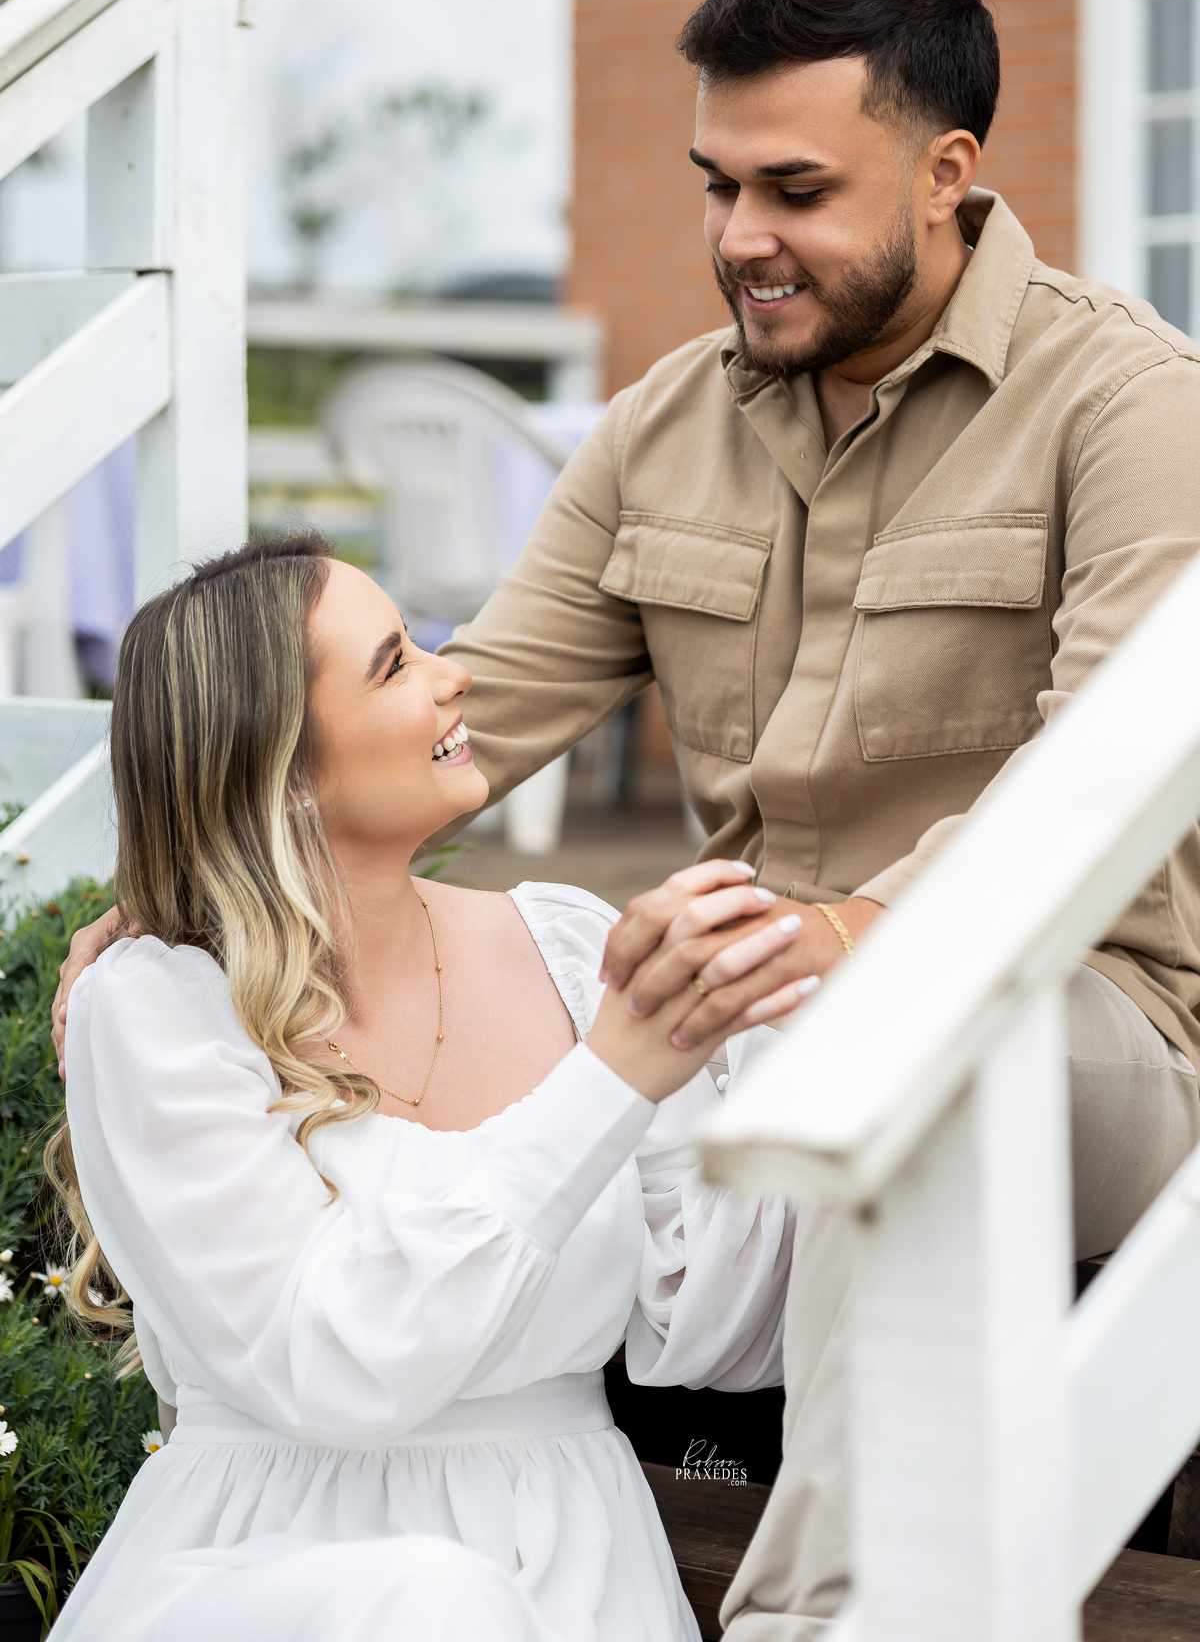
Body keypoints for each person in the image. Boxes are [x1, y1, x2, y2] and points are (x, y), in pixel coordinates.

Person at [57, 0, 1200, 1636]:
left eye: (796, 188)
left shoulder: (1127, 401)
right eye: (718, 182)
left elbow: (1104, 784)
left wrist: (854, 939)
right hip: (763, 1028)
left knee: (926, 1039)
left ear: (950, 173)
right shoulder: (663, 428)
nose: (741, 234)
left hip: (1087, 1028)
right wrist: (180, 873)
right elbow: (458, 707)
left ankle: (825, 1619)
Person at [49, 534, 813, 1642]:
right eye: (396, 663)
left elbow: (716, 1328)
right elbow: (333, 1363)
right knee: (431, 1604)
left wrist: (781, 1011)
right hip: (277, 1565)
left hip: (578, 1561)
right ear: (285, 767)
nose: (455, 674)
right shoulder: (156, 1007)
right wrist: (611, 1080)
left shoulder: (569, 948)